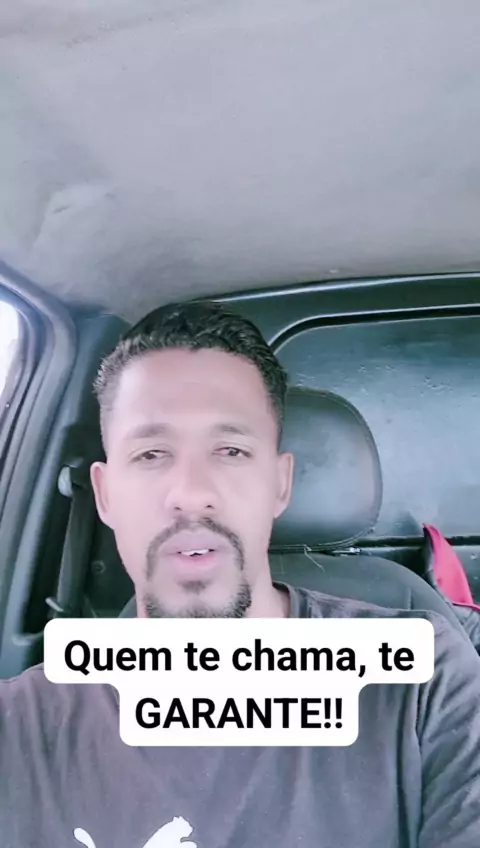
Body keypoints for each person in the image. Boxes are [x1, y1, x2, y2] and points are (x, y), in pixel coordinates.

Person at [0, 300, 479, 848]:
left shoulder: (423, 680)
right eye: (151, 454)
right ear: (105, 495)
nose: (191, 494)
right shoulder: (21, 725)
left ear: (280, 484)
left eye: (230, 450)